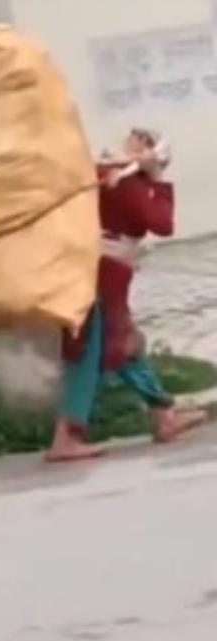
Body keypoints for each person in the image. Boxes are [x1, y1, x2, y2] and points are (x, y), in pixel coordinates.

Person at [46, 127, 207, 462]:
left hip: (100, 275)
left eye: (144, 140)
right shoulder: (122, 180)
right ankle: (66, 436)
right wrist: (157, 179)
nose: (134, 139)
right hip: (100, 277)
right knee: (87, 353)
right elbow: (162, 224)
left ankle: (163, 413)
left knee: (127, 345)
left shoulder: (115, 176)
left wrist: (149, 174)